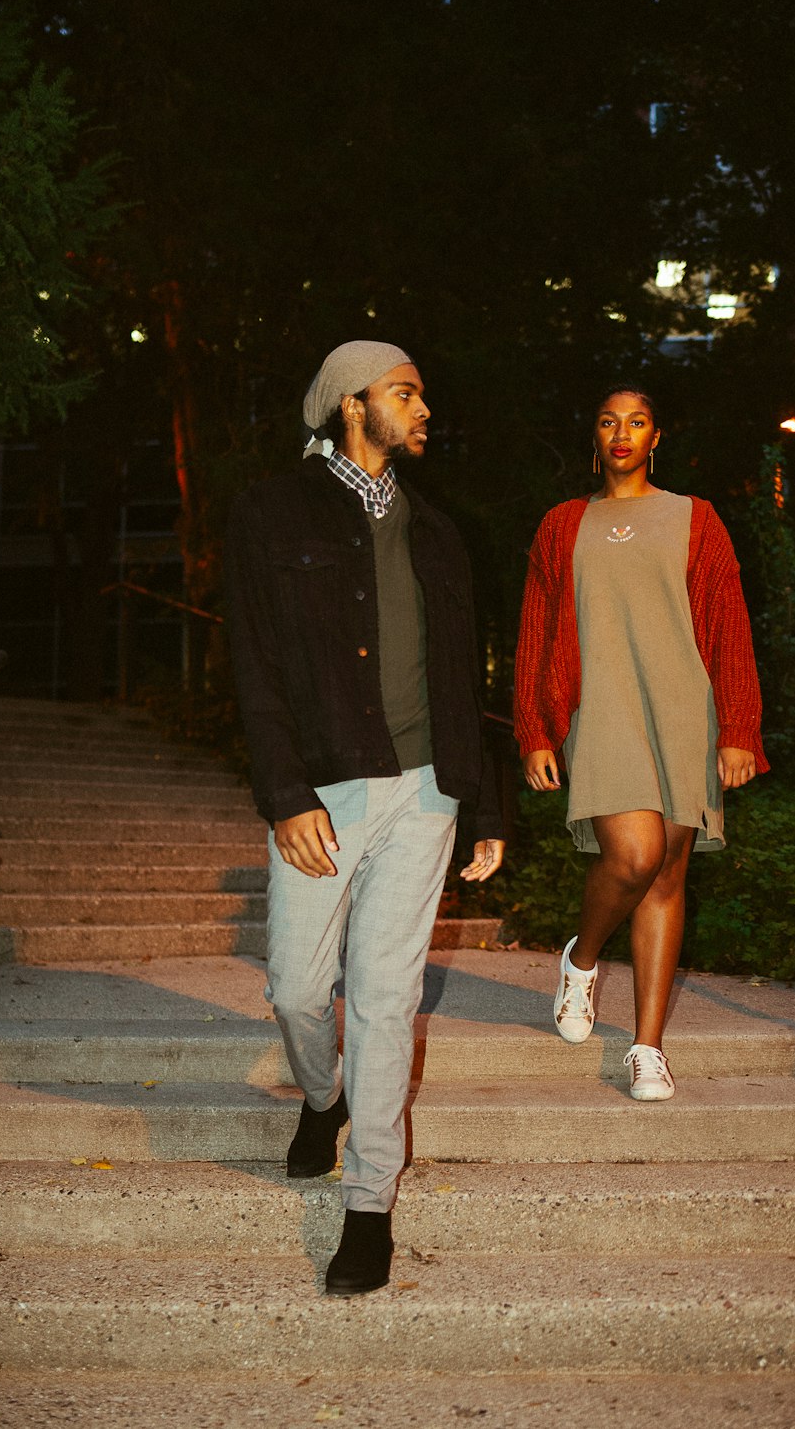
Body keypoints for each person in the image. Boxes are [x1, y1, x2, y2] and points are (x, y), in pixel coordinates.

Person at [225, 340, 504, 1296]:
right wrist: (284, 794)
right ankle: (320, 1095)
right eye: (405, 392)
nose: (424, 407)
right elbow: (255, 669)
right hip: (323, 789)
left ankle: (370, 1205)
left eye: (421, 391)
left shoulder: (436, 532)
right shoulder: (270, 511)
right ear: (352, 405)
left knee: (384, 1001)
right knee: (298, 990)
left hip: (427, 789)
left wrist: (486, 802)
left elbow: (464, 677)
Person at [513, 384, 767, 1101]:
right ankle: (582, 960)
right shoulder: (563, 524)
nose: (621, 433)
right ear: (593, 438)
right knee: (633, 855)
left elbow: (728, 625)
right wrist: (536, 729)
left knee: (667, 876)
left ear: (657, 437)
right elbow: (536, 633)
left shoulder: (697, 519)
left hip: (684, 710)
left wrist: (739, 728)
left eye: (637, 422)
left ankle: (647, 1048)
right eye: (607, 421)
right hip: (603, 712)